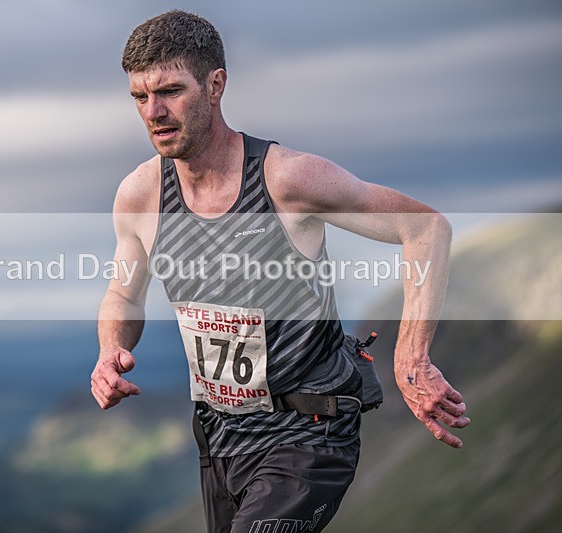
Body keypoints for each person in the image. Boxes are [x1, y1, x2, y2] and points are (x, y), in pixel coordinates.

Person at [90, 10, 470, 533]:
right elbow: (124, 296)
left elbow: (425, 230)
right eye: (139, 97)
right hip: (221, 439)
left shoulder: (287, 180)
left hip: (309, 431)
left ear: (215, 85)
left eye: (171, 91)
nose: (154, 111)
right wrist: (110, 350)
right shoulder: (141, 195)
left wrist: (412, 357)